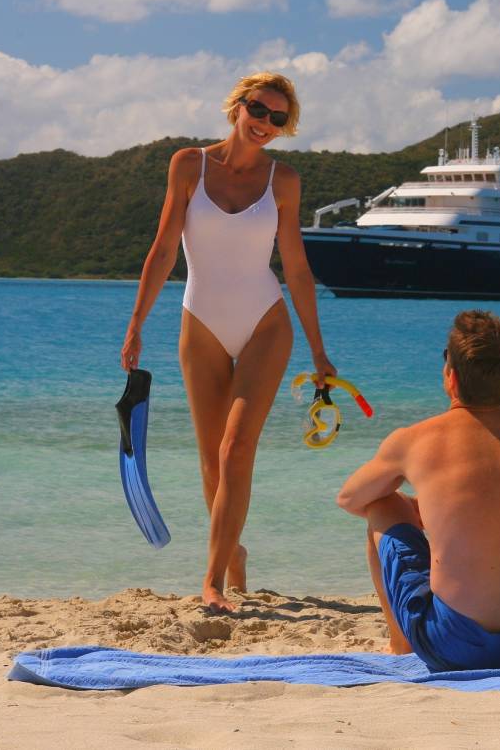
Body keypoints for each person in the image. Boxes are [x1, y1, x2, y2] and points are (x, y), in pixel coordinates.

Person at [121, 72, 335, 613]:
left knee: (237, 448)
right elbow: (165, 247)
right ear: (237, 107)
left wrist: (318, 349)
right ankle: (233, 553)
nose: (266, 124)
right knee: (212, 463)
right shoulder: (188, 164)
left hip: (266, 321)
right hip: (202, 323)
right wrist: (137, 321)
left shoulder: (283, 180)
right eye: (259, 111)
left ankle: (211, 580)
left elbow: (297, 268)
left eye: (279, 119)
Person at [336, 310, 500, 671]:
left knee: (381, 503)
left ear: (451, 377)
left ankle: (400, 644)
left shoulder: (415, 440)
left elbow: (351, 499)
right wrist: (440, 508)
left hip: (454, 644)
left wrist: (420, 509)